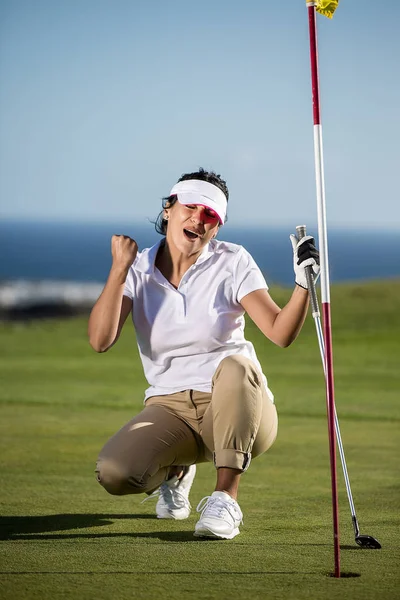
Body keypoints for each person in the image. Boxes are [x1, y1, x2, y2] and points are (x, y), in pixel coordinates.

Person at [88, 168, 320, 540]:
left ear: (217, 227)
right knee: (115, 472)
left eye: (210, 215)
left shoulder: (232, 261)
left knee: (236, 365)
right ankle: (177, 469)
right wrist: (119, 270)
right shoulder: (138, 269)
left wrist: (301, 284)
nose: (198, 219)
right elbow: (100, 340)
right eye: (191, 207)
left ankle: (225, 499)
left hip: (240, 408)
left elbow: (279, 334)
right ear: (169, 209)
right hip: (169, 409)